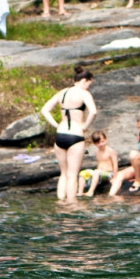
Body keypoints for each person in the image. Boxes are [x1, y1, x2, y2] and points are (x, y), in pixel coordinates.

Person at [41, 66, 98, 202]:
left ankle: (60, 203)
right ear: (84, 80)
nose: (89, 87)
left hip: (60, 134)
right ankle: (71, 207)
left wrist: (56, 124)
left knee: (64, 174)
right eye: (89, 84)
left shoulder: (62, 92)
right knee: (73, 175)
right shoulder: (83, 93)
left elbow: (45, 110)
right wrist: (84, 126)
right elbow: (93, 112)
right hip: (75, 135)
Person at [78, 130, 118, 197]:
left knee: (96, 172)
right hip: (99, 173)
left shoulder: (110, 151)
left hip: (108, 173)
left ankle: (90, 192)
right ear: (94, 143)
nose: (101, 144)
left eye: (102, 141)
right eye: (98, 143)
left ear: (106, 140)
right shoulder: (97, 152)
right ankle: (80, 192)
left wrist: (114, 177)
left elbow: (115, 164)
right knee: (82, 173)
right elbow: (99, 163)